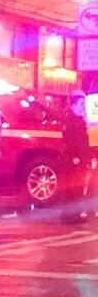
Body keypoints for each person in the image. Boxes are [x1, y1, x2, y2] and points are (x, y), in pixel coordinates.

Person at [62, 93, 93, 223]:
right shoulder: (70, 119)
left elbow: (84, 141)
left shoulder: (80, 120)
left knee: (79, 189)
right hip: (73, 160)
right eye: (81, 104)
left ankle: (75, 214)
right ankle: (70, 216)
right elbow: (69, 141)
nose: (83, 107)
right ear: (74, 105)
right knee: (73, 190)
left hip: (81, 159)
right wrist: (74, 156)